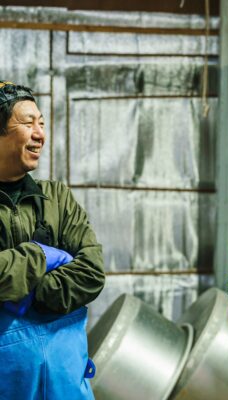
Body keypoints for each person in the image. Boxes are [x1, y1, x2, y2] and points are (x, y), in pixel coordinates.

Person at [0, 81, 105, 399]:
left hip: (65, 379)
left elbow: (92, 272)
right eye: (28, 123)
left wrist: (34, 294)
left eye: (42, 123)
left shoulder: (56, 198)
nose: (40, 134)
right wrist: (40, 255)